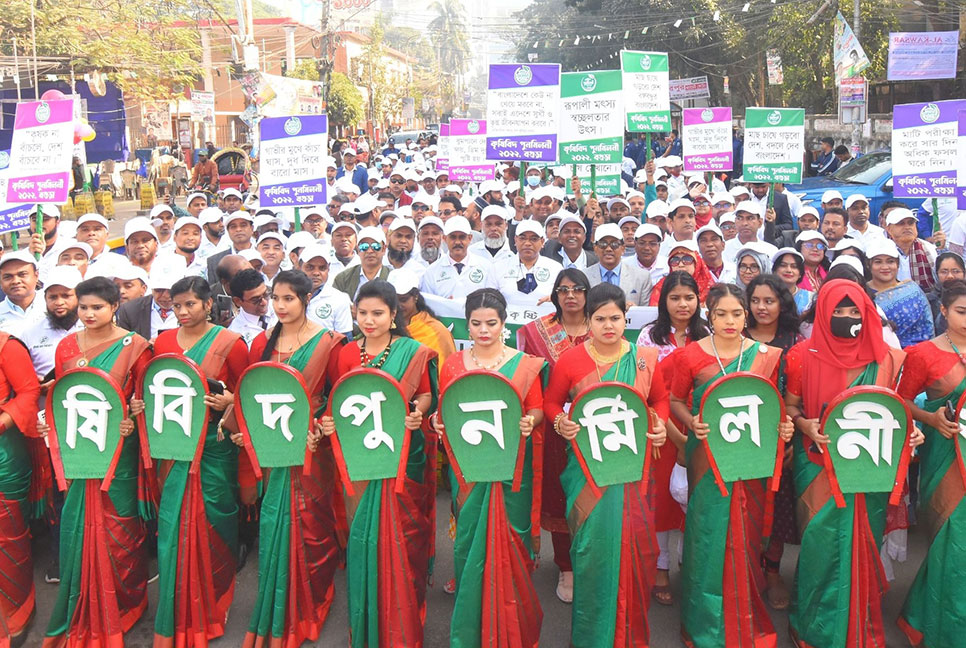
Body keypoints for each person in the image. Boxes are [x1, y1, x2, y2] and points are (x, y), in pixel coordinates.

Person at [785, 279, 922, 647]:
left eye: (854, 311)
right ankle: (813, 626)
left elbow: (897, 410)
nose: (846, 318)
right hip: (817, 464)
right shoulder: (801, 355)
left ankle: (855, 620)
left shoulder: (889, 358)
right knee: (820, 544)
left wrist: (911, 433)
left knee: (861, 543)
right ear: (822, 314)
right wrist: (804, 424)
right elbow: (791, 405)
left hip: (870, 465)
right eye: (837, 311)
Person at [544, 283, 668, 647]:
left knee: (636, 548)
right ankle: (592, 634)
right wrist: (560, 422)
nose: (609, 325)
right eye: (600, 319)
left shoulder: (645, 358)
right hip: (588, 468)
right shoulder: (571, 360)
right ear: (589, 321)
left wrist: (658, 424)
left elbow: (659, 400)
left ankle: (629, 633)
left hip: (634, 469)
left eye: (616, 318)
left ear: (626, 319)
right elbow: (552, 403)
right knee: (593, 551)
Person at [669, 283, 793, 647]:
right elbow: (676, 400)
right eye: (721, 313)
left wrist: (784, 426)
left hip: (750, 455)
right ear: (708, 314)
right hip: (706, 454)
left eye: (737, 313)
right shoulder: (690, 355)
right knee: (708, 530)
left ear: (746, 314)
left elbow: (774, 404)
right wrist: (690, 422)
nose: (729, 321)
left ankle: (744, 610)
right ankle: (703, 618)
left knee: (746, 530)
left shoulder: (767, 355)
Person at [320, 280, 437, 648]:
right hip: (358, 456)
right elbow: (336, 398)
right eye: (362, 313)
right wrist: (327, 422)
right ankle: (367, 615)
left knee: (403, 537)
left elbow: (426, 394)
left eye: (377, 313)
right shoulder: (344, 353)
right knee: (364, 537)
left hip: (402, 453)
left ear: (393, 315)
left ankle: (401, 617)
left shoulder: (414, 351)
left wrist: (418, 411)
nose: (368, 320)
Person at [42, 277, 154, 646]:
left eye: (97, 307)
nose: (89, 314)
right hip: (79, 451)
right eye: (84, 307)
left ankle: (125, 605)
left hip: (119, 453)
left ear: (114, 307)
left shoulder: (135, 346)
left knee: (120, 529)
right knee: (79, 528)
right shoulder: (66, 346)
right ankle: (83, 604)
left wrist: (132, 418)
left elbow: (144, 402)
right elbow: (65, 395)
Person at [238, 270, 344, 646]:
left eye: (288, 299)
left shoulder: (330, 342)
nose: (279, 306)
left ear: (306, 299)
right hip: (273, 448)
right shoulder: (263, 341)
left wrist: (319, 425)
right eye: (274, 298)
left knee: (311, 525)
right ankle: (277, 601)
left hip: (312, 449)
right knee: (274, 524)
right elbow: (253, 391)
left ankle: (310, 597)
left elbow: (336, 394)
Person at [434, 289, 545, 648]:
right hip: (468, 467)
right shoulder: (452, 363)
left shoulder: (525, 363)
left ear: (504, 323)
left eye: (491, 323)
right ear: (467, 324)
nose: (484, 330)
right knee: (470, 536)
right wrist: (437, 420)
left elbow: (537, 408)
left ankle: (512, 624)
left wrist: (530, 420)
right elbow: (445, 407)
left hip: (512, 466)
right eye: (476, 324)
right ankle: (472, 620)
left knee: (513, 535)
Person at [143, 276, 248, 646]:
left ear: (208, 305)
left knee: (216, 517)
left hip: (215, 445)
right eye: (177, 306)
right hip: (173, 447)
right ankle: (175, 606)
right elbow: (154, 387)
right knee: (172, 526)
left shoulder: (230, 342)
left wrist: (230, 402)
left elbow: (246, 393)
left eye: (190, 304)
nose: (183, 312)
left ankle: (214, 600)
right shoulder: (162, 342)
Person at [896, 279, 966, 647]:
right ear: (943, 311)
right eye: (961, 312)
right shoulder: (923, 353)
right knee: (952, 539)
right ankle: (938, 621)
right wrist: (932, 419)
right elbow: (902, 401)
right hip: (945, 453)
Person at [516, 269, 590, 603]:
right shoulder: (535, 332)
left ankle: (590, 560)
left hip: (596, 426)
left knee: (593, 492)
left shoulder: (602, 326)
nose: (571, 295)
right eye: (563, 289)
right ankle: (566, 566)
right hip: (554, 426)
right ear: (555, 294)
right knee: (559, 495)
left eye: (577, 289)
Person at [638, 271, 710, 606]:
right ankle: (661, 566)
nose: (683, 304)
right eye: (675, 297)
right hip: (660, 430)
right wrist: (677, 439)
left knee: (694, 497)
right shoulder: (648, 338)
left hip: (702, 428)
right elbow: (647, 393)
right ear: (663, 301)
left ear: (699, 300)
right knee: (662, 501)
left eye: (689, 297)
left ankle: (689, 561)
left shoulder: (708, 335)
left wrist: (691, 436)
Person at [744, 273, 805, 608]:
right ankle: (744, 571)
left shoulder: (794, 341)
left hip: (782, 436)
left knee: (777, 508)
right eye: (755, 301)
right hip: (740, 436)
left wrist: (793, 436)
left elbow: (801, 396)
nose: (762, 307)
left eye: (769, 300)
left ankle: (772, 573)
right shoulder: (735, 336)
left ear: (782, 303)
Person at [0, 319, 41, 645]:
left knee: (8, 536)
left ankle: (17, 612)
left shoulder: (7, 345)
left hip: (3, 451)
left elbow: (29, 392)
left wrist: (2, 422)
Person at [867, 239, 934, 348]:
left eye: (890, 261)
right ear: (869, 265)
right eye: (878, 262)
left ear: (898, 264)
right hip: (883, 357)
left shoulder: (912, 290)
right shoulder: (864, 293)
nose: (885, 267)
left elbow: (928, 326)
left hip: (918, 354)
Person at [389, 269, 455, 371]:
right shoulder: (384, 327)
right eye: (393, 301)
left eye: (403, 300)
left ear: (415, 297)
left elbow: (443, 373)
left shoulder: (436, 332)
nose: (398, 306)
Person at [585, 223, 653, 306]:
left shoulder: (642, 277)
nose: (608, 249)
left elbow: (645, 312)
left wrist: (634, 310)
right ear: (595, 249)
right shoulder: (585, 276)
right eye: (603, 244)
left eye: (614, 244)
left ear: (623, 248)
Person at [648, 241, 713, 306]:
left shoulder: (709, 287)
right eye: (675, 260)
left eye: (687, 259)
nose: (680, 264)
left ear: (697, 263)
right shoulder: (662, 287)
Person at [0, 251, 45, 337]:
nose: (16, 281)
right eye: (8, 277)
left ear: (36, 276)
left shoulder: (52, 307)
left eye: (22, 274)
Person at [926, 252, 965, 334]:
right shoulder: (930, 300)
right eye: (944, 272)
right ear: (936, 274)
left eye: (956, 271)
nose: (950, 276)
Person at [772, 248, 814, 313]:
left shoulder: (810, 298)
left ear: (800, 273)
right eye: (783, 265)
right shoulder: (766, 294)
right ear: (775, 271)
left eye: (794, 266)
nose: (789, 270)